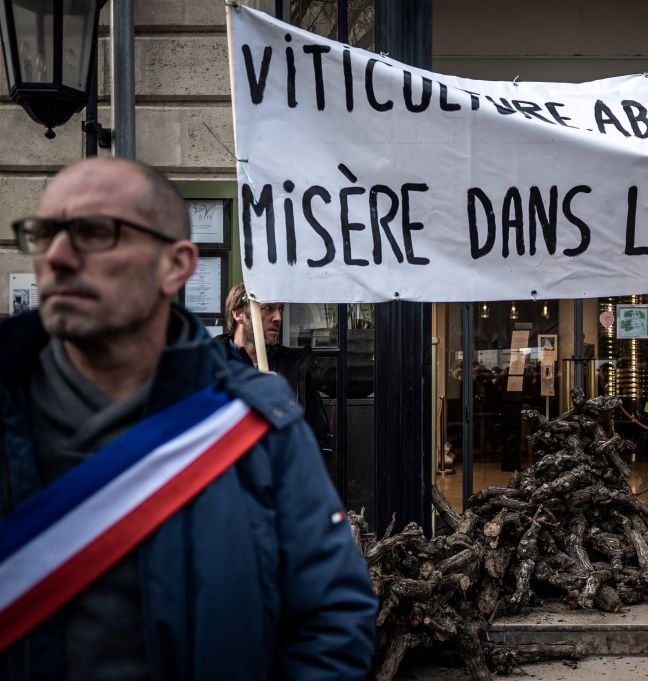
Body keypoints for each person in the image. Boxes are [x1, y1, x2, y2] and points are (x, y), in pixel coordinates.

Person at [0, 158, 377, 679]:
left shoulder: (260, 430)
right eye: (44, 233)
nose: (59, 257)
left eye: (94, 233)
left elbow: (333, 618)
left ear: (175, 265)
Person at [218, 282, 330, 450]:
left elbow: (318, 443)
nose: (278, 317)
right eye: (267, 309)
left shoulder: (296, 369)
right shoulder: (210, 365)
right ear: (238, 314)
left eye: (280, 309)